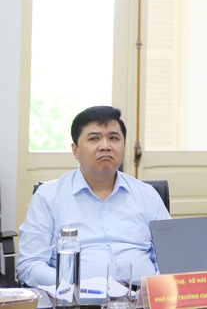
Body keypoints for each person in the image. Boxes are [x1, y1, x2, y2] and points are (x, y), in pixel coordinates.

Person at [16, 106, 171, 287]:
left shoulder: (147, 195)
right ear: (75, 150)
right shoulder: (49, 197)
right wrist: (75, 286)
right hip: (74, 298)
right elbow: (29, 265)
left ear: (124, 147)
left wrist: (153, 289)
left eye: (114, 138)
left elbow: (170, 257)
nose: (105, 146)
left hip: (142, 297)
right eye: (94, 138)